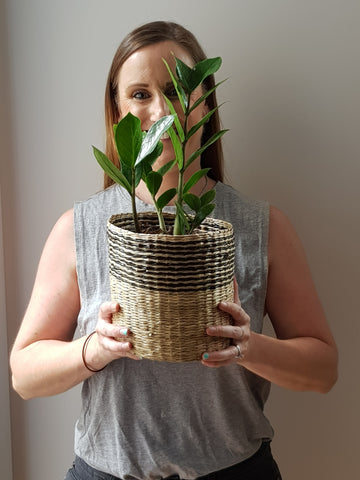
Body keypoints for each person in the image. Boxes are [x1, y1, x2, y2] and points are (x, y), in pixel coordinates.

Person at [10, 20, 338, 480]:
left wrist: (248, 347)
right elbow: (23, 375)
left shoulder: (261, 226)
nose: (162, 110)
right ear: (117, 111)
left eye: (177, 91)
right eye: (140, 94)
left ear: (205, 102)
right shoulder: (78, 228)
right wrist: (94, 349)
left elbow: (322, 370)